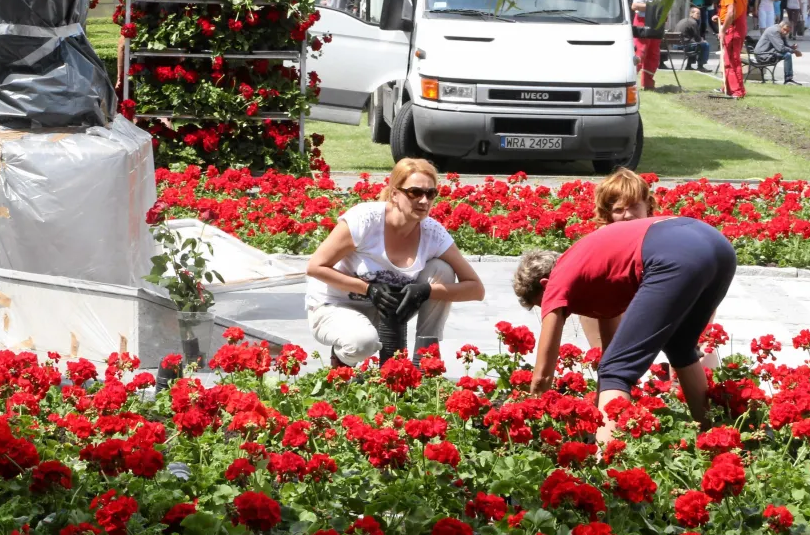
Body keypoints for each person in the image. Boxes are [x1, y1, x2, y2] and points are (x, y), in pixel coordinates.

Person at [512, 201, 736, 443]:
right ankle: (711, 438)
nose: (557, 312)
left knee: (616, 370)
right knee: (681, 347)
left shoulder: (558, 279)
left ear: (545, 286)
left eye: (543, 305)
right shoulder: (590, 271)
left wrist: (532, 416)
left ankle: (605, 465)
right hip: (717, 245)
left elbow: (542, 377)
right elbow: (611, 348)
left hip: (676, 256)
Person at [306, 158, 485, 367]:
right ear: (394, 194)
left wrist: (426, 291)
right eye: (415, 192)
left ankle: (425, 362)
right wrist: (368, 289)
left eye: (430, 194)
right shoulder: (365, 220)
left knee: (442, 270)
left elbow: (476, 289)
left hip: (386, 310)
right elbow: (315, 267)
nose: (424, 200)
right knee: (362, 343)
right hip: (335, 305)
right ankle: (342, 361)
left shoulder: (433, 233)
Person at [717, 0, 748, 98]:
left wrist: (723, 30)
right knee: (730, 58)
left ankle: (736, 90)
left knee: (731, 59)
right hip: (737, 25)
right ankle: (728, 86)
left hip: (733, 27)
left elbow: (731, 12)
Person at [631, 0, 661, 91]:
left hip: (656, 24)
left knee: (653, 55)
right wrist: (653, 7)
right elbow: (634, 6)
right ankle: (630, 81)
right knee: (640, 52)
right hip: (642, 22)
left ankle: (648, 83)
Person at [753, 16, 803, 84]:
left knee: (787, 53)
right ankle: (788, 79)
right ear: (780, 26)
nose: (785, 32)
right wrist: (794, 52)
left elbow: (784, 46)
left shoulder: (780, 31)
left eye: (788, 32)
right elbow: (781, 48)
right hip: (763, 55)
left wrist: (792, 48)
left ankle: (788, 79)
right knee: (787, 55)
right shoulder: (774, 31)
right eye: (785, 30)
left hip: (769, 53)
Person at [675, 6, 710, 71]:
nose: (699, 15)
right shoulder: (693, 22)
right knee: (705, 45)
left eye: (699, 13)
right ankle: (701, 65)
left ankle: (689, 66)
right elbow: (697, 38)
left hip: (676, 45)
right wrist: (703, 41)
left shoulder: (683, 20)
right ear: (691, 14)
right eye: (697, 13)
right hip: (684, 46)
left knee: (694, 44)